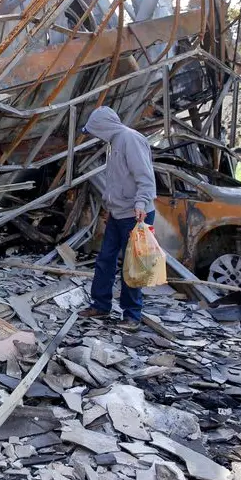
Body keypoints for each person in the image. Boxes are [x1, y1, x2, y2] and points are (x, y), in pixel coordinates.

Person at [78, 106, 156, 332]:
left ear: (103, 127)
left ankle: (132, 315)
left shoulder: (130, 139)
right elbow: (116, 180)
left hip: (136, 213)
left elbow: (146, 177)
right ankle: (101, 305)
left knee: (133, 266)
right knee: (105, 260)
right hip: (119, 212)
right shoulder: (114, 143)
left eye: (95, 131)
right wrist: (109, 205)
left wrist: (141, 203)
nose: (94, 136)